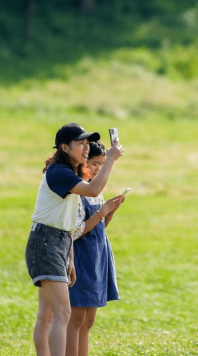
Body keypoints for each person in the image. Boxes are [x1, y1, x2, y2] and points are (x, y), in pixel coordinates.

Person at [25, 123, 123, 356]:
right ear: (65, 147)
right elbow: (93, 190)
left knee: (51, 314)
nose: (86, 148)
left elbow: (67, 222)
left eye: (87, 143)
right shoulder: (59, 172)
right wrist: (110, 159)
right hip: (46, 241)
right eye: (80, 143)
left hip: (58, 242)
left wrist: (69, 256)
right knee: (62, 313)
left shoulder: (69, 173)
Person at [66, 141, 124, 356]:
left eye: (101, 164)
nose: (98, 168)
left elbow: (98, 228)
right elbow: (76, 231)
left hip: (97, 257)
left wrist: (108, 213)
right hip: (81, 258)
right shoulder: (78, 190)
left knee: (88, 321)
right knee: (76, 319)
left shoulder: (96, 191)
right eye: (94, 163)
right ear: (82, 162)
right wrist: (102, 212)